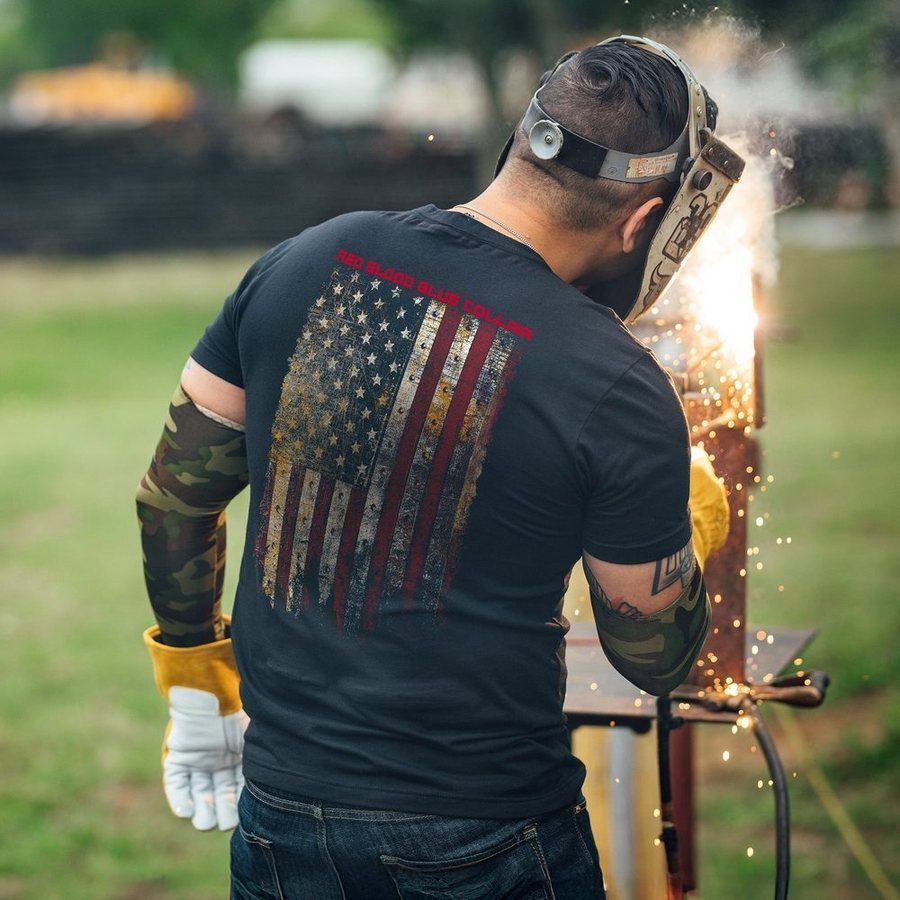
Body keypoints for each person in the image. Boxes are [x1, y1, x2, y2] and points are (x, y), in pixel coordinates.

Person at [136, 36, 731, 900]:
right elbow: (654, 656)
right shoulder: (615, 383)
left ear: (522, 142)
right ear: (644, 221)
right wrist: (683, 517)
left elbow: (172, 500)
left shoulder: (305, 259)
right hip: (485, 839)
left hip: (280, 818)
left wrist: (194, 678)